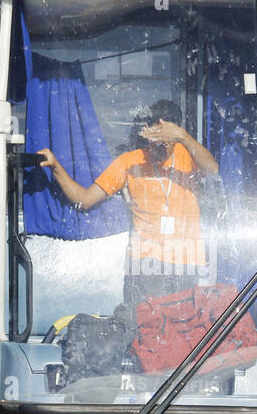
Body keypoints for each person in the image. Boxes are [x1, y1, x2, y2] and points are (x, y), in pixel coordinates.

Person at [38, 99, 219, 301]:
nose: (161, 145)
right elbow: (85, 199)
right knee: (142, 329)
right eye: (156, 137)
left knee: (188, 331)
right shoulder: (129, 161)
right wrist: (56, 167)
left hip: (188, 262)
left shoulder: (189, 156)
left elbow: (212, 169)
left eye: (167, 139)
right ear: (147, 131)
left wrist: (182, 136)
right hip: (145, 267)